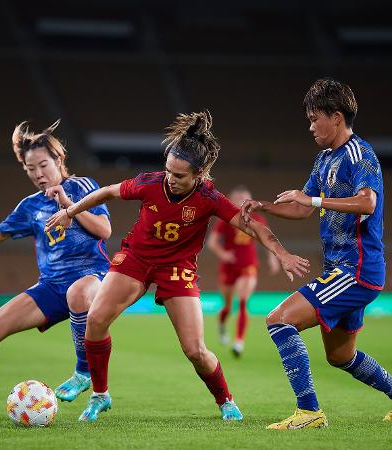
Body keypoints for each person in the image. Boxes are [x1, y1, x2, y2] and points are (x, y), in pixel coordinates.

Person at [45, 110, 310, 422]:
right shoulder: (149, 183)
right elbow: (107, 192)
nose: (170, 178)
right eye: (168, 170)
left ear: (198, 175)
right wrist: (71, 211)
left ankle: (225, 400)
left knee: (195, 350)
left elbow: (251, 226)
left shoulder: (209, 197)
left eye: (179, 175)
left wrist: (280, 252)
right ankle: (100, 395)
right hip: (136, 259)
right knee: (96, 319)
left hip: (177, 268)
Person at [241, 78, 391, 429]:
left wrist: (313, 199)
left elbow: (367, 203)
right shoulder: (324, 158)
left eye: (314, 118)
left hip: (356, 270)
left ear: (336, 117)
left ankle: (309, 412)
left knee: (278, 320)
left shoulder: (360, 153)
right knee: (341, 355)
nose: (310, 127)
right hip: (344, 270)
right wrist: (263, 206)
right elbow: (302, 208)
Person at [0, 120, 111, 418]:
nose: (38, 174)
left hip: (92, 276)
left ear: (58, 161)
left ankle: (82, 374)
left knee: (78, 293)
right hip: (51, 286)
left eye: (43, 165)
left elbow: (104, 230)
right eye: (30, 169)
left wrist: (68, 204)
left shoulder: (83, 187)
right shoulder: (30, 206)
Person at [207, 185, 280, 356]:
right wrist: (223, 253)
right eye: (239, 199)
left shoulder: (258, 219)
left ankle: (239, 342)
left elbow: (267, 239)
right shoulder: (225, 220)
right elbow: (212, 242)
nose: (243, 202)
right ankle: (223, 326)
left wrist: (272, 258)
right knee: (227, 305)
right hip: (229, 267)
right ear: (231, 201)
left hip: (248, 266)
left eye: (246, 198)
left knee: (242, 302)